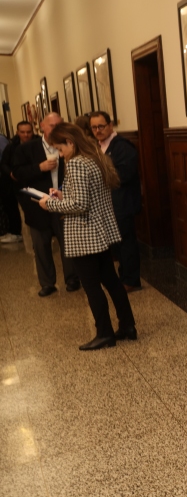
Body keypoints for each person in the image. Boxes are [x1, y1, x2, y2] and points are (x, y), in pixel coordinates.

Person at [38, 123, 136, 350]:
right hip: (99, 231)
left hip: (85, 234)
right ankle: (128, 325)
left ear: (70, 143)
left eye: (60, 150)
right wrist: (63, 195)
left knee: (92, 286)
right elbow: (87, 195)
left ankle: (104, 333)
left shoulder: (77, 164)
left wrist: (50, 203)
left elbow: (80, 204)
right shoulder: (94, 158)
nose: (60, 155)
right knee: (111, 281)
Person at [13, 113, 80, 296]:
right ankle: (47, 283)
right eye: (52, 125)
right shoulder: (27, 149)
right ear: (42, 126)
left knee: (68, 242)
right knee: (41, 246)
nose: (56, 129)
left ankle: (72, 278)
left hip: (64, 203)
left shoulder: (70, 146)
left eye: (59, 125)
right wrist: (39, 168)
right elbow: (17, 173)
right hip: (37, 205)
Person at [91, 111, 142, 292]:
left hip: (123, 203)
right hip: (108, 203)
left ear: (110, 126)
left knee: (126, 242)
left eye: (101, 126)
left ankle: (131, 280)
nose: (98, 130)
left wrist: (99, 177)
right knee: (117, 244)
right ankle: (122, 276)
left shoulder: (122, 147)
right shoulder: (98, 146)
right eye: (94, 127)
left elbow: (125, 174)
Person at [0, 121, 31, 243]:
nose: (26, 135)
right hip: (14, 181)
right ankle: (15, 231)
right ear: (18, 132)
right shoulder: (11, 146)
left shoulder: (37, 143)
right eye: (22, 132)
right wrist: (10, 173)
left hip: (32, 180)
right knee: (12, 206)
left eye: (28, 132)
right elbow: (4, 164)